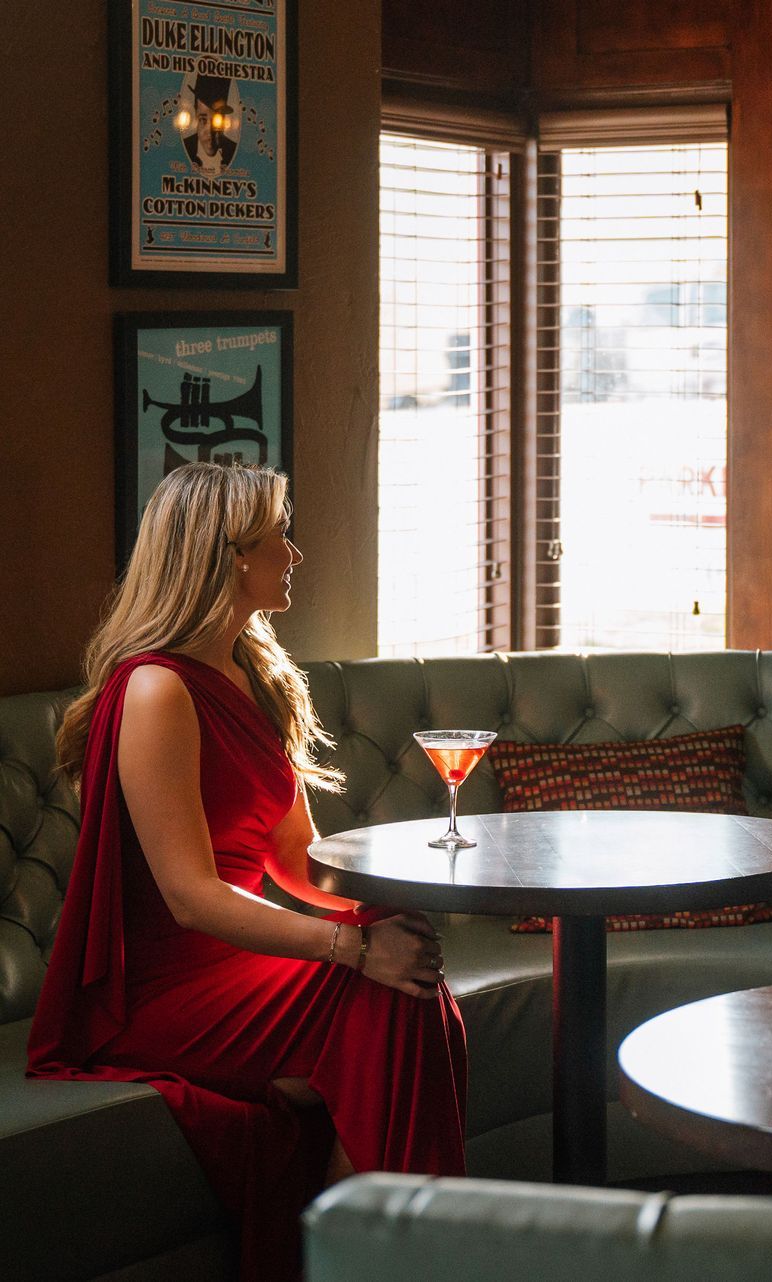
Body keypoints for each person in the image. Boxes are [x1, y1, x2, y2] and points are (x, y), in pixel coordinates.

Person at [27, 463, 466, 1281]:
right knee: (390, 990)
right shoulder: (157, 689)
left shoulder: (255, 675)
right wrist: (353, 952)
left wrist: (391, 908)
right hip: (158, 993)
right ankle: (382, 1253)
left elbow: (297, 861)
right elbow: (190, 897)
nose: (295, 554)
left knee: (409, 975)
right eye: (278, 539)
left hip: (235, 971)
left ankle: (365, 1250)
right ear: (229, 558)